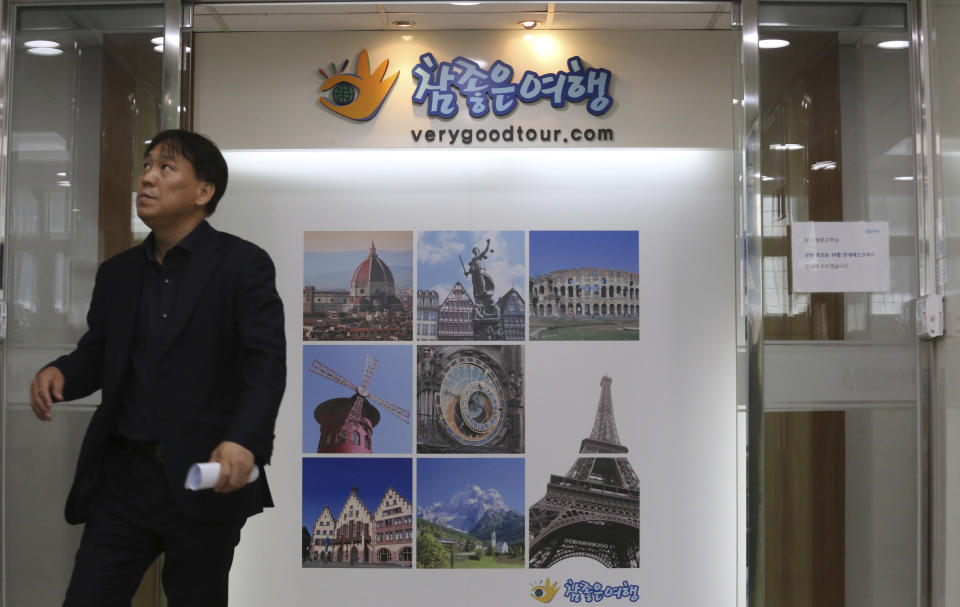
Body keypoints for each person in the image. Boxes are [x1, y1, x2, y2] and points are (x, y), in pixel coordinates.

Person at [29, 129, 286, 606]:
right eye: (146, 166)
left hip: (204, 477)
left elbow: (265, 364)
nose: (146, 178)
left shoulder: (243, 265)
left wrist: (244, 440)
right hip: (125, 482)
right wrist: (63, 371)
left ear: (203, 193)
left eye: (165, 168)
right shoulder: (119, 272)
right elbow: (98, 353)